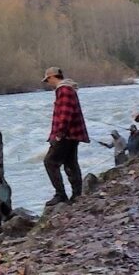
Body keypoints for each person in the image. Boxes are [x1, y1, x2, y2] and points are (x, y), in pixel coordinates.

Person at [41, 66, 89, 206]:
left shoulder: (64, 90)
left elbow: (65, 116)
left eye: (47, 80)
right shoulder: (68, 89)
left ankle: (61, 195)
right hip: (72, 135)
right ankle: (76, 196)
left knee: (50, 162)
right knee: (70, 163)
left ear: (52, 77)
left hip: (67, 135)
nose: (48, 83)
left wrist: (58, 135)